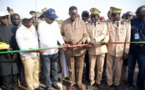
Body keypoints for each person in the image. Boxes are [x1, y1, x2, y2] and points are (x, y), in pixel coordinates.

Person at [38, 8, 66, 90]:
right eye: (51, 18)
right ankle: (48, 86)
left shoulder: (55, 24)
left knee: (55, 69)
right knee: (47, 70)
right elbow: (44, 40)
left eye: (54, 18)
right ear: (46, 16)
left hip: (54, 52)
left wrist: (62, 43)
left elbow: (58, 36)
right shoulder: (41, 25)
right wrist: (57, 46)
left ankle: (54, 83)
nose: (53, 19)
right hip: (45, 52)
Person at [61, 6, 87, 90]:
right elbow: (61, 35)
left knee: (79, 67)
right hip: (69, 50)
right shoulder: (64, 23)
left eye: (75, 14)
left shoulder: (82, 22)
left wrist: (81, 42)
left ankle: (79, 83)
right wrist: (66, 40)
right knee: (71, 68)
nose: (74, 16)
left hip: (80, 50)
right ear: (69, 13)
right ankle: (71, 83)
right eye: (72, 14)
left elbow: (85, 35)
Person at [16, 13, 44, 90]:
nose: (30, 21)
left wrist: (38, 51)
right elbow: (23, 48)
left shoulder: (33, 28)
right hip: (27, 56)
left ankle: (36, 86)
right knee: (29, 74)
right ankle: (31, 88)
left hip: (36, 55)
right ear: (22, 21)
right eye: (28, 19)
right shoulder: (19, 31)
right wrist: (37, 50)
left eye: (31, 19)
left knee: (36, 72)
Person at [106, 7, 131, 90]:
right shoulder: (108, 24)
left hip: (120, 50)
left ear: (119, 15)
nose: (112, 16)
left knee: (118, 68)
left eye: (113, 15)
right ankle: (110, 83)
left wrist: (126, 51)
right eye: (111, 14)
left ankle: (116, 83)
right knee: (109, 68)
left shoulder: (127, 24)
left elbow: (128, 40)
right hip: (110, 49)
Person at [86, 8, 109, 90]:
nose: (93, 18)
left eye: (95, 16)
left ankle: (98, 81)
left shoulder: (103, 24)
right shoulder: (88, 25)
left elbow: (104, 34)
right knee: (91, 67)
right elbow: (87, 35)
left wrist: (95, 40)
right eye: (91, 16)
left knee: (100, 67)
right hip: (92, 49)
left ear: (98, 17)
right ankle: (92, 81)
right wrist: (89, 41)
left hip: (101, 49)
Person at [124, 5, 145, 90]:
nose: (137, 14)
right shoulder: (132, 21)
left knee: (142, 69)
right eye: (136, 13)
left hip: (143, 51)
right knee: (130, 68)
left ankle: (140, 86)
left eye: (139, 13)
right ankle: (130, 83)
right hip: (132, 49)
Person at [0, 12, 19, 90]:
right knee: (5, 75)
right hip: (3, 57)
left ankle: (15, 87)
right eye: (3, 18)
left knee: (15, 74)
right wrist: (3, 46)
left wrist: (16, 53)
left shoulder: (14, 28)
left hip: (14, 56)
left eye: (6, 17)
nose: (5, 19)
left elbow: (18, 41)